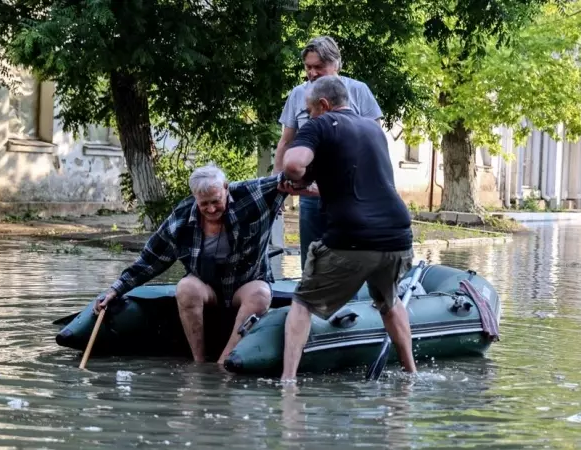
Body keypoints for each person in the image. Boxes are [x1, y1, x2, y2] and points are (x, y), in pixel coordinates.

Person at [278, 75, 416, 382]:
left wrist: (295, 175)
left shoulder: (321, 124)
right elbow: (356, 185)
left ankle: (287, 382)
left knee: (302, 302)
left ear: (324, 105)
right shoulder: (372, 129)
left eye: (310, 109)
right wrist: (311, 186)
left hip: (352, 238)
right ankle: (411, 374)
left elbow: (293, 164)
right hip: (397, 236)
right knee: (389, 302)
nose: (309, 116)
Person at [94, 164, 289, 365]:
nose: (211, 209)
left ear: (225, 188)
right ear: (194, 197)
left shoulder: (251, 193)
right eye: (204, 204)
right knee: (185, 287)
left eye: (216, 201)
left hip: (246, 284)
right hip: (207, 288)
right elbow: (149, 260)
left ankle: (224, 362)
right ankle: (199, 363)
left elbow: (292, 176)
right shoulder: (180, 220)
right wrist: (115, 290)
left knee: (261, 294)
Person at [273, 36, 384, 269]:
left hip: (350, 194)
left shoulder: (358, 91)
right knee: (312, 260)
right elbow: (286, 142)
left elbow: (374, 142)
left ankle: (350, 302)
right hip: (311, 193)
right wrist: (276, 184)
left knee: (350, 259)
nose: (312, 73)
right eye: (308, 67)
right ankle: (310, 300)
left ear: (336, 65)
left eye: (318, 67)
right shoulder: (297, 95)